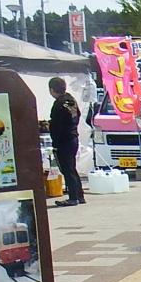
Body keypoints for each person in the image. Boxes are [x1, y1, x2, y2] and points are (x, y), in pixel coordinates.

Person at [48, 77, 85, 207]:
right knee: (71, 168)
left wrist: (55, 143)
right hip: (73, 137)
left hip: (64, 141)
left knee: (67, 169)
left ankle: (73, 197)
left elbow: (56, 126)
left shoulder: (59, 104)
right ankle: (79, 195)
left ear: (52, 90)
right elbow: (76, 116)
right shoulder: (70, 100)